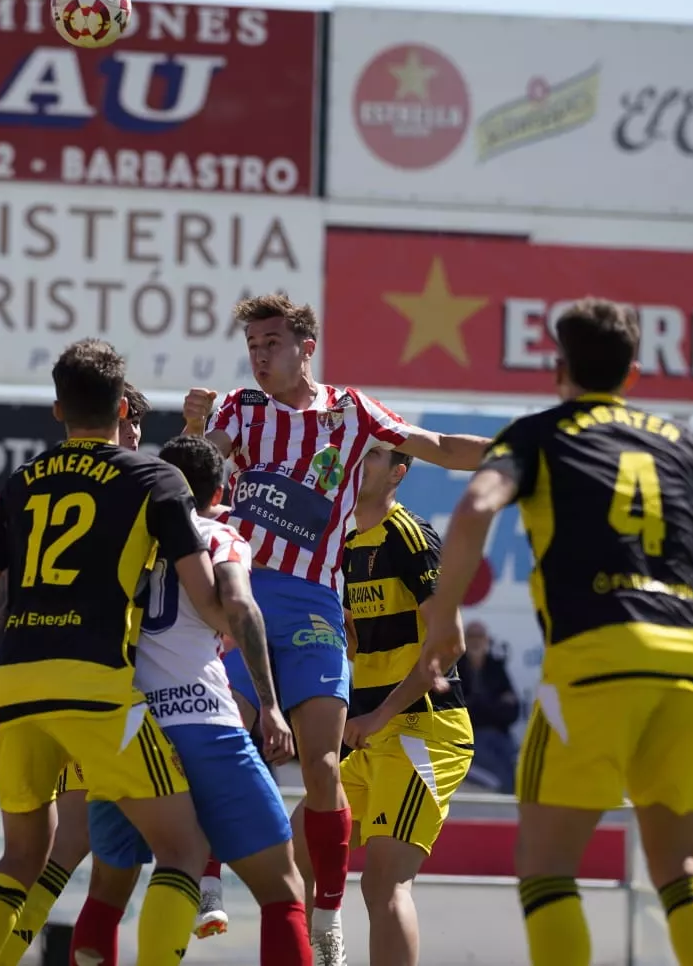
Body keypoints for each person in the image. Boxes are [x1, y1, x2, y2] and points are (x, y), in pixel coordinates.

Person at [422, 297, 693, 966]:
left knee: (547, 864)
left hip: (597, 654)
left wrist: (442, 620)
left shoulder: (538, 433)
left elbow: (473, 505)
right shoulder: (690, 446)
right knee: (680, 865)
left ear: (559, 369)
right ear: (633, 374)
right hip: (692, 662)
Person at [186, 292, 490, 966]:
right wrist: (190, 433)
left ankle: (327, 914)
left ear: (305, 347)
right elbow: (196, 470)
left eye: (272, 344)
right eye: (253, 347)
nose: (260, 357)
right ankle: (205, 884)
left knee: (322, 766)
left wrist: (517, 454)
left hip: (317, 606)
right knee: (230, 738)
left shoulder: (351, 412)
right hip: (244, 601)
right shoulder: (240, 409)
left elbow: (437, 446)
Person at [0, 340, 219, 966]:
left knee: (23, 855)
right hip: (96, 685)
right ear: (123, 405)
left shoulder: (23, 482)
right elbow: (206, 598)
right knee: (183, 849)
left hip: (17, 682)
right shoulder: (156, 477)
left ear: (58, 410)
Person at [71, 435, 311, 966]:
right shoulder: (217, 535)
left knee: (109, 890)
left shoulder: (121, 538)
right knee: (282, 888)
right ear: (218, 490)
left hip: (125, 728)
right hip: (202, 721)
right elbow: (240, 606)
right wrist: (270, 706)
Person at [0, 385, 156, 966]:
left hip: (108, 690)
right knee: (121, 854)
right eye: (123, 427)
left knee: (93, 860)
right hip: (107, 697)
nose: (128, 440)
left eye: (134, 433)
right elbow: (4, 596)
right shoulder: (123, 487)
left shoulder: (139, 482)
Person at [297, 445, 470, 966]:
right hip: (364, 733)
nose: (359, 464)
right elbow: (351, 642)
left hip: (424, 729)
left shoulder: (410, 537)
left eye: (373, 456)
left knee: (383, 882)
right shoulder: (339, 541)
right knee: (298, 854)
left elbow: (449, 643)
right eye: (357, 454)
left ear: (398, 472)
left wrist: (379, 715)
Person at [459, 621, 520, 793]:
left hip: (500, 734)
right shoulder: (455, 668)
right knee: (496, 771)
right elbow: (455, 710)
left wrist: (476, 704)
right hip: (471, 735)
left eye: (480, 636)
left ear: (487, 640)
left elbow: (512, 711)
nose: (476, 641)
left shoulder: (496, 667)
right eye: (471, 636)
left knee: (515, 763)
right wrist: (495, 705)